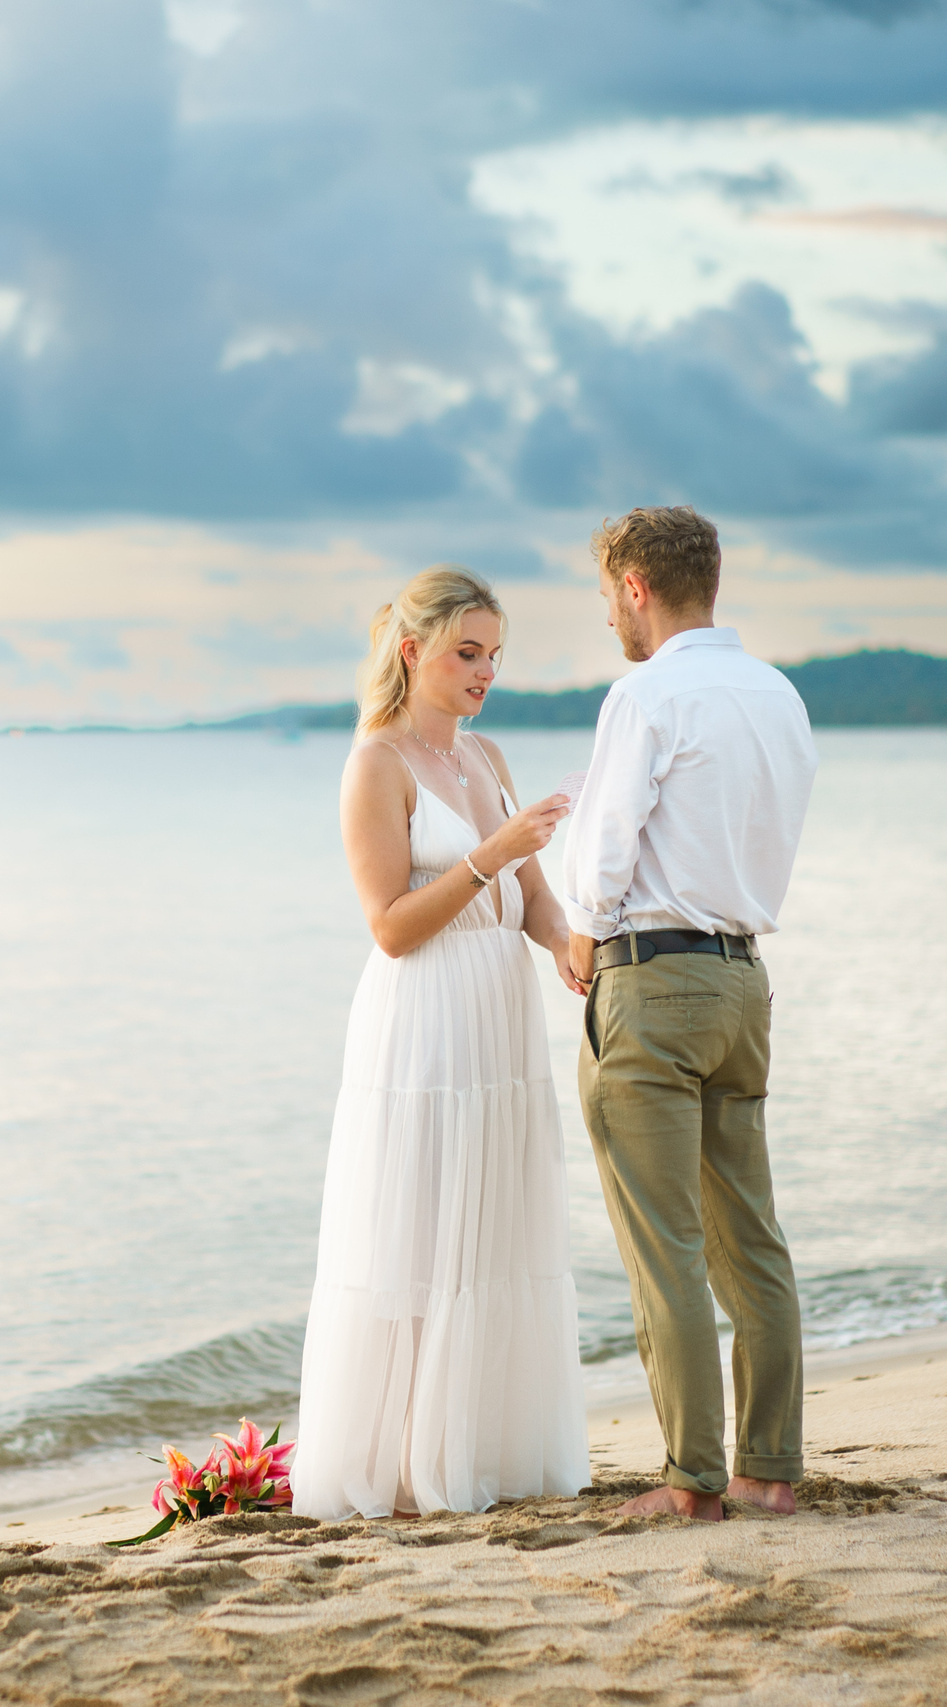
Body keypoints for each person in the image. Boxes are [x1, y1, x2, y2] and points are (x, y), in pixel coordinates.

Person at [292, 566, 592, 1520]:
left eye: (495, 656)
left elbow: (533, 897)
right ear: (413, 650)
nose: (484, 672)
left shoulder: (490, 757)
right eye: (469, 653)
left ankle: (486, 1448)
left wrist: (565, 943)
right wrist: (487, 856)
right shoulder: (376, 763)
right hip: (423, 1022)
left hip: (500, 1021)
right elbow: (389, 923)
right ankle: (410, 1464)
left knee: (494, 1225)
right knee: (419, 1229)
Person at [558, 506, 818, 1523]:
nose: (609, 620)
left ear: (633, 586)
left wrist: (582, 930)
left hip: (653, 981)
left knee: (660, 1240)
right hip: (743, 981)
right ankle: (767, 1467)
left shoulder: (647, 690)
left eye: (606, 598)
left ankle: (690, 1481)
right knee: (747, 1236)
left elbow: (609, 837)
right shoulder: (777, 696)